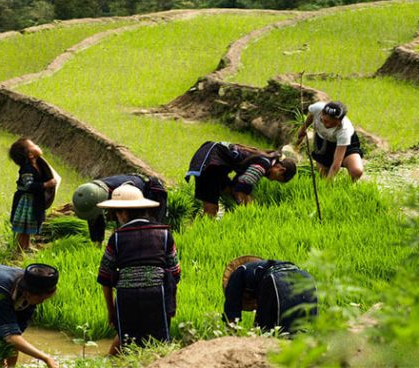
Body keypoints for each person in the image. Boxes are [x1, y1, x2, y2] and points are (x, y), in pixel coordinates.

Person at [96, 184, 180, 355]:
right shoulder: (164, 234)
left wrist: (111, 311)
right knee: (159, 343)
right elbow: (175, 272)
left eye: (117, 213)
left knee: (127, 340)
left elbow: (105, 276)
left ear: (124, 213)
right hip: (157, 294)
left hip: (127, 297)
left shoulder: (117, 238)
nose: (117, 217)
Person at [185, 141, 297, 218]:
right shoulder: (264, 163)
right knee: (211, 209)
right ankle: (203, 233)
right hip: (211, 162)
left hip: (214, 160)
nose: (272, 180)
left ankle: (207, 226)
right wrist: (251, 211)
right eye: (277, 179)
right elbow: (243, 185)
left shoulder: (265, 159)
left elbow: (236, 187)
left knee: (229, 191)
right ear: (280, 169)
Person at [223, 256, 317, 334]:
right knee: (305, 328)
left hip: (276, 279)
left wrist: (230, 338)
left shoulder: (237, 273)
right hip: (305, 277)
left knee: (265, 331)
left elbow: (231, 311)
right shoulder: (260, 270)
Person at [72, 174, 167, 246]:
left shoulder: (120, 193)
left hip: (151, 192)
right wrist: (97, 244)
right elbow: (94, 217)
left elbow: (129, 219)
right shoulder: (93, 194)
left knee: (152, 233)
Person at [296, 101, 363, 181]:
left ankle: (347, 186)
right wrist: (303, 129)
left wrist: (327, 187)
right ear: (321, 114)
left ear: (340, 120)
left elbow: (337, 163)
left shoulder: (344, 130)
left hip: (346, 145)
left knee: (356, 171)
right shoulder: (317, 108)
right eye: (326, 121)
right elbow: (310, 117)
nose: (327, 125)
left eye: (333, 124)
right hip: (323, 141)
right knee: (323, 174)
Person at [9, 138, 57, 250]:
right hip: (27, 202)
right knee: (23, 229)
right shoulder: (27, 169)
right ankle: (20, 248)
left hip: (35, 200)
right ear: (30, 154)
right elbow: (29, 185)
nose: (37, 145)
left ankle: (27, 246)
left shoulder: (38, 164)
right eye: (34, 145)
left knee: (30, 225)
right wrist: (46, 184)